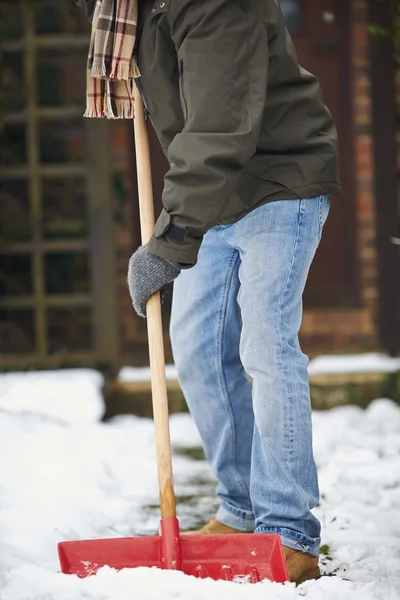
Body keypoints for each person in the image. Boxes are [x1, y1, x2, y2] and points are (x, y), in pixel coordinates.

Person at [76, 0, 341, 584]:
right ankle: (241, 509)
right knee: (196, 345)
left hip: (279, 180)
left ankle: (288, 530)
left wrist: (168, 242)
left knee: (265, 347)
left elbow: (219, 123)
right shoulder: (127, 14)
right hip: (216, 192)